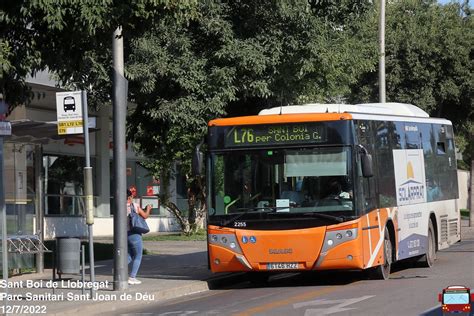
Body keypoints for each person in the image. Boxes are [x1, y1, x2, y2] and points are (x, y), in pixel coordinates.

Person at [127, 189, 152, 285]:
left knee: (130, 255)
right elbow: (145, 216)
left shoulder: (120, 206)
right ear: (130, 197)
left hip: (124, 234)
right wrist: (148, 208)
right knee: (138, 255)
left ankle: (117, 271)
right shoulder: (134, 206)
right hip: (135, 234)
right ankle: (132, 277)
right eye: (132, 196)